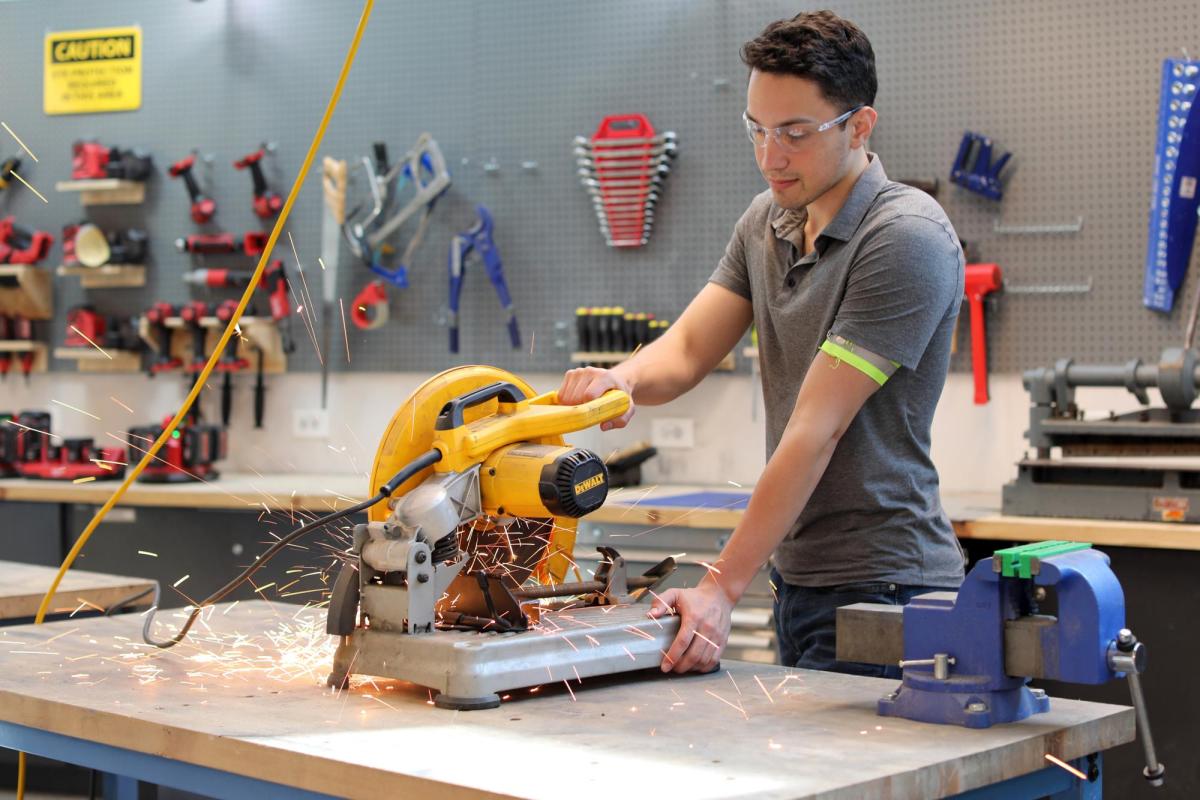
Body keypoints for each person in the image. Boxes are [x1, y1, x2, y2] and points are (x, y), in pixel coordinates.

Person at [557, 10, 966, 676]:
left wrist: (720, 585)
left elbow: (815, 429)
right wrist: (622, 379)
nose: (771, 156)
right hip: (798, 580)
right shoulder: (767, 221)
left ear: (860, 125)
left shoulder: (904, 238)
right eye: (758, 130)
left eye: (795, 134)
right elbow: (689, 348)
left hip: (890, 590)